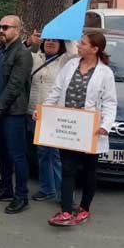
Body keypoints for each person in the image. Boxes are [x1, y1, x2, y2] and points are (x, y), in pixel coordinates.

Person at [43, 31, 117, 226]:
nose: (78, 46)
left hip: (91, 129)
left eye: (83, 44)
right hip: (67, 127)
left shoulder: (105, 73)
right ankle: (66, 210)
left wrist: (105, 126)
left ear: (95, 49)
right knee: (67, 168)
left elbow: (110, 103)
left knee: (89, 171)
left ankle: (84, 209)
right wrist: (45, 111)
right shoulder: (70, 65)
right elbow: (56, 91)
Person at [0, 15, 33, 214]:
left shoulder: (22, 54)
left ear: (18, 30)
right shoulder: (2, 51)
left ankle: (22, 196)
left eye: (6, 27)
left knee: (17, 155)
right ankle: (6, 189)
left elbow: (14, 87)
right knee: (3, 153)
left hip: (12, 113)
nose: (1, 30)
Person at [28, 38, 70, 202]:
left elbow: (74, 52)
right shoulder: (36, 58)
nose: (50, 43)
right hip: (34, 112)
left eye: (54, 41)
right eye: (47, 40)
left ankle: (63, 194)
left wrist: (69, 36)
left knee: (56, 155)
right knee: (42, 154)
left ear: (61, 44)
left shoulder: (65, 60)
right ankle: (47, 189)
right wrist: (29, 42)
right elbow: (21, 54)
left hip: (54, 114)